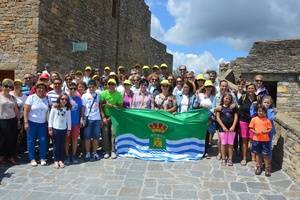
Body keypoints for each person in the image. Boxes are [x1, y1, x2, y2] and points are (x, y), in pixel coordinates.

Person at [24, 81, 49, 166]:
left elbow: (52, 107)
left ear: (45, 90)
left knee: (43, 141)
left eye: (43, 88)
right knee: (31, 141)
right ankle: (32, 158)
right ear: (36, 89)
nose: (41, 89)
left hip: (43, 124)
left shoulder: (47, 98)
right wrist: (26, 122)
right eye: (39, 88)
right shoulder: (31, 97)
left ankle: (42, 158)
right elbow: (26, 110)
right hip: (32, 123)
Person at [100, 79, 123, 159]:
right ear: (107, 85)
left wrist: (111, 106)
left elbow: (120, 106)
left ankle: (113, 151)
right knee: (105, 133)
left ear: (115, 85)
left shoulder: (118, 94)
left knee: (113, 133)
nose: (111, 86)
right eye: (109, 84)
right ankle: (106, 151)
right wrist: (103, 117)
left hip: (114, 117)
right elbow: (100, 106)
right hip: (105, 116)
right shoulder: (103, 93)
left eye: (113, 84)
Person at [48, 94, 72, 169]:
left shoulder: (67, 108)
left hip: (63, 129)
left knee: (62, 145)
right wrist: (50, 128)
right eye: (62, 99)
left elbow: (69, 119)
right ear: (59, 99)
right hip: (55, 129)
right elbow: (50, 118)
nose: (64, 101)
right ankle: (56, 160)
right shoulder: (54, 107)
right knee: (56, 145)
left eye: (65, 99)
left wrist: (69, 129)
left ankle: (61, 160)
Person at [249, 105, 272, 177]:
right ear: (257, 111)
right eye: (259, 111)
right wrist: (255, 132)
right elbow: (251, 128)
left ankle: (267, 168)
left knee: (266, 154)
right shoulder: (254, 119)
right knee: (258, 154)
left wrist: (267, 132)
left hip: (265, 140)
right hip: (256, 139)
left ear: (265, 112)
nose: (260, 112)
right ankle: (258, 167)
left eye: (262, 111)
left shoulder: (267, 120)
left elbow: (270, 128)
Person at [216, 93, 238, 166]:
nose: (227, 99)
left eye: (228, 98)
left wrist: (233, 126)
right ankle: (223, 158)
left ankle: (230, 158)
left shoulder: (232, 107)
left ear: (231, 100)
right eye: (225, 98)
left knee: (230, 144)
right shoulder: (220, 107)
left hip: (231, 128)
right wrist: (223, 126)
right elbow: (218, 118)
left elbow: (235, 117)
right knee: (223, 143)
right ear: (223, 99)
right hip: (223, 128)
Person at [0, 79, 19, 165]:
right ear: (2, 86)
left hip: (12, 120)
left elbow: (16, 110)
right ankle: (2, 157)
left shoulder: (13, 98)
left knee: (12, 139)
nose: (8, 88)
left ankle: (11, 156)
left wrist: (18, 121)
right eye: (6, 86)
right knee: (3, 139)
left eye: (10, 87)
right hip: (2, 120)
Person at [82, 80, 102, 161]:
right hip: (88, 118)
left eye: (92, 87)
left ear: (95, 87)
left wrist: (101, 118)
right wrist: (82, 118)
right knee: (87, 137)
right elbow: (83, 108)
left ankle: (94, 152)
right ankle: (87, 153)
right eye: (89, 87)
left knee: (96, 137)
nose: (91, 88)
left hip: (97, 118)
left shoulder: (98, 95)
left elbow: (100, 106)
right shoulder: (84, 95)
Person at [238, 83, 257, 166]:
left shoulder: (258, 98)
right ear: (247, 89)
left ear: (255, 89)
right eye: (249, 88)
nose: (250, 90)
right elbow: (238, 107)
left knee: (253, 140)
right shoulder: (243, 97)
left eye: (252, 88)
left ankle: (253, 159)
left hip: (254, 123)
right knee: (244, 140)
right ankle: (244, 158)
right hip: (244, 121)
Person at [65, 82, 84, 164]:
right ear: (68, 89)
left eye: (74, 89)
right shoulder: (65, 98)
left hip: (76, 123)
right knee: (66, 140)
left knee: (75, 139)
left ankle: (73, 155)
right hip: (66, 124)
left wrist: (81, 119)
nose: (72, 90)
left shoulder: (79, 99)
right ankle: (66, 156)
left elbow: (81, 109)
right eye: (71, 88)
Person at [10, 79, 28, 153]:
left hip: (20, 118)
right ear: (13, 86)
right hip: (10, 117)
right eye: (16, 84)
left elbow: (25, 109)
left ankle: (18, 149)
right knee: (11, 134)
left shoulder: (24, 97)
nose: (17, 86)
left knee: (20, 134)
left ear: (21, 86)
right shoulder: (10, 94)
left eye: (19, 85)